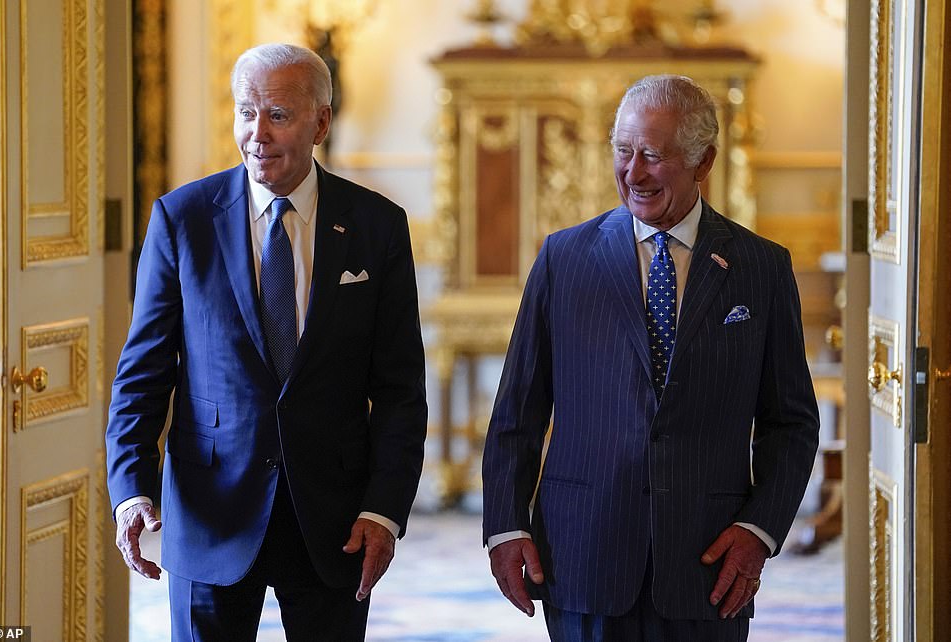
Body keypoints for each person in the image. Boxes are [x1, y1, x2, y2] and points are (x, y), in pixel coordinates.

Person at [106, 43, 427, 641]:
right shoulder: (182, 219)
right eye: (245, 111)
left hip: (333, 518)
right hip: (209, 514)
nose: (257, 133)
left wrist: (383, 508)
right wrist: (131, 492)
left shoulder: (377, 227)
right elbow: (142, 375)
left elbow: (400, 390)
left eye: (278, 114)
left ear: (321, 122)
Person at [481, 74, 819, 641]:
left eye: (653, 156)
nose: (632, 173)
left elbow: (791, 422)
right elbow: (517, 410)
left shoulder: (762, 268)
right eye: (623, 151)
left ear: (703, 161)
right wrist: (505, 525)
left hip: (709, 564)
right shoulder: (564, 258)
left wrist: (759, 529)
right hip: (582, 555)